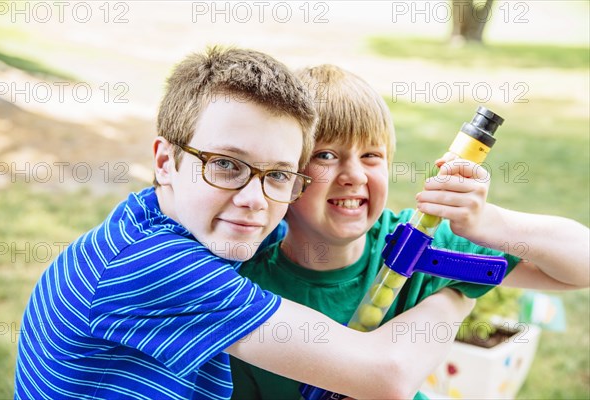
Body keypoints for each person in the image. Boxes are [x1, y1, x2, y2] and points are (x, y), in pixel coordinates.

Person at [14, 48, 478, 400]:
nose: (254, 200)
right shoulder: (158, 267)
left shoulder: (171, 221)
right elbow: (386, 375)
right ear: (164, 161)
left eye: (277, 174)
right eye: (226, 165)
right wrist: (456, 296)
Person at [230, 64, 590, 400]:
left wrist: (490, 224)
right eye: (325, 155)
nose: (354, 174)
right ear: (286, 173)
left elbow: (580, 265)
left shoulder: (419, 243)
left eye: (371, 155)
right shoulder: (243, 272)